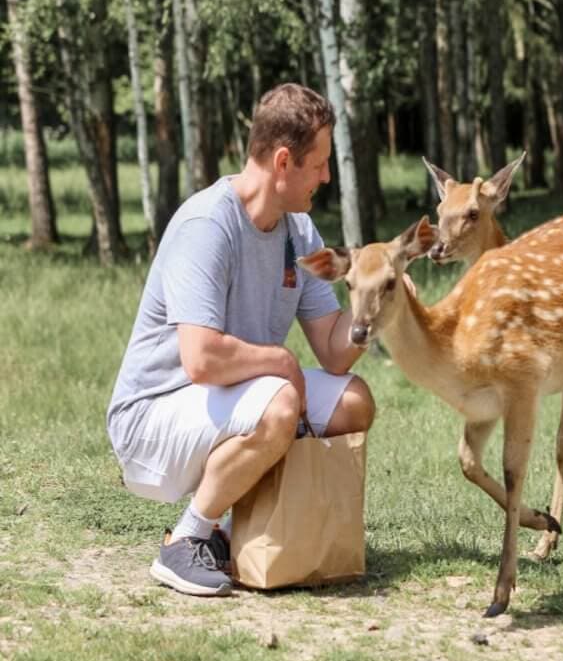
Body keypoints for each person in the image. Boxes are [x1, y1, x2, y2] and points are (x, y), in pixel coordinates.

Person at [106, 83, 374, 597]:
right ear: (281, 162)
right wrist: (279, 361)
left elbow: (335, 352)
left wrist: (374, 308)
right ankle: (185, 541)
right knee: (281, 401)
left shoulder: (298, 229)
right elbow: (201, 358)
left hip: (229, 401)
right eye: (317, 164)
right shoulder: (209, 224)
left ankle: (238, 536)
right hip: (150, 419)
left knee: (354, 402)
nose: (326, 176)